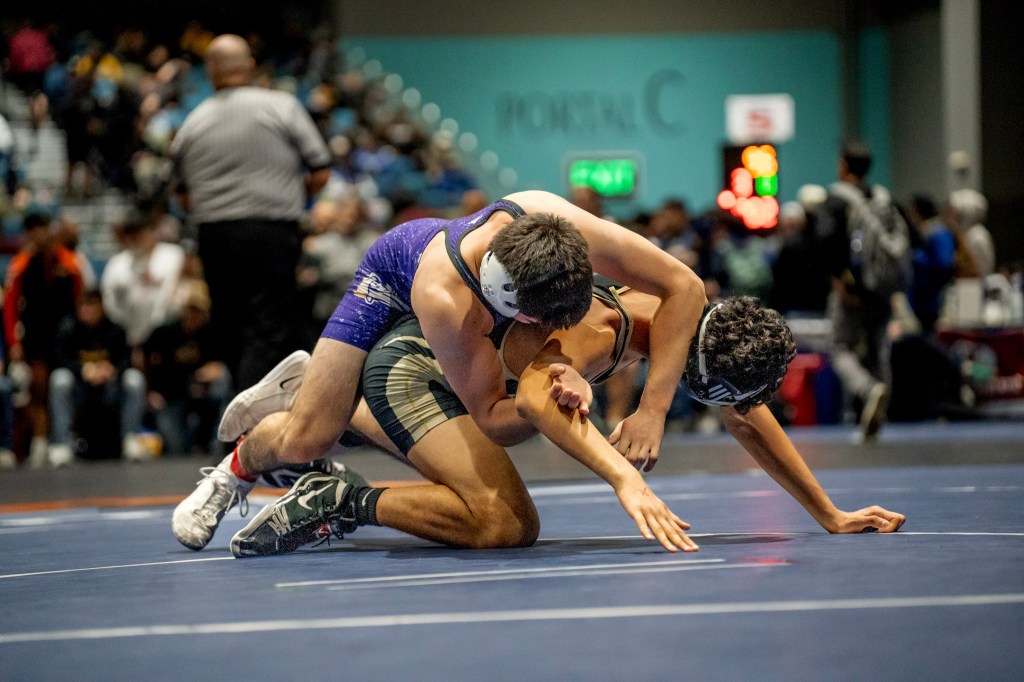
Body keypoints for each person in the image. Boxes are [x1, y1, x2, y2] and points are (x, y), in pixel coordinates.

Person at [172, 189, 706, 551]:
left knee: (343, 423)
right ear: (509, 305)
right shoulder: (448, 301)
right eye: (542, 323)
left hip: (465, 285)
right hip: (392, 277)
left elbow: (686, 286)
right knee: (308, 439)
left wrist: (653, 409)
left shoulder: (551, 217)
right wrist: (548, 398)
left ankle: (323, 393)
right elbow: (493, 418)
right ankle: (236, 468)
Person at [226, 279, 906, 558]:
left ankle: (327, 405)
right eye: (711, 393)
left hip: (462, 379)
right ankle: (339, 496)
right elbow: (529, 401)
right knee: (505, 522)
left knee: (521, 471)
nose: (720, 407)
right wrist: (624, 480)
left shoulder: (680, 315)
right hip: (418, 369)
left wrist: (828, 512)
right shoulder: (602, 327)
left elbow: (747, 417)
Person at [169, 33, 332, 393]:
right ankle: (256, 427)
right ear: (250, 66)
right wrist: (291, 194)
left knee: (229, 324)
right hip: (271, 231)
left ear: (210, 71)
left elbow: (182, 196)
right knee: (272, 326)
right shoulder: (281, 107)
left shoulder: (191, 124)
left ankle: (238, 420)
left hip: (214, 235)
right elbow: (320, 171)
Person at [818, 141, 911, 442]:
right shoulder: (884, 198)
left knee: (840, 346)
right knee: (878, 350)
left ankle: (869, 390)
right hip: (883, 290)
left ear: (843, 165)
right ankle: (878, 415)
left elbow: (828, 244)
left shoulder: (837, 200)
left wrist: (840, 283)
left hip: (853, 288)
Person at [3, 211, 83, 467]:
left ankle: (62, 440)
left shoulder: (68, 262)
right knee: (38, 389)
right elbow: (10, 308)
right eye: (33, 230)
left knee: (62, 387)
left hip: (65, 337)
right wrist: (14, 344)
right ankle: (39, 442)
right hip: (36, 336)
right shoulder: (21, 265)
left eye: (43, 228)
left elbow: (80, 299)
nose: (39, 234)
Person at [49, 289, 147, 465]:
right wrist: (84, 370)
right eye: (84, 305)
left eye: (92, 305)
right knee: (59, 379)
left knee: (134, 379)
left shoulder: (115, 330)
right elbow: (60, 358)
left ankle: (130, 439)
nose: (87, 310)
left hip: (110, 389)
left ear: (102, 307)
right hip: (80, 390)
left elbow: (126, 360)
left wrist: (111, 370)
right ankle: (62, 444)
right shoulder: (68, 329)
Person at [142, 280, 230, 456]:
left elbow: (224, 363)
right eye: (190, 309)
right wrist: (149, 390)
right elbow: (141, 355)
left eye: (198, 310)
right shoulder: (166, 332)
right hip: (171, 396)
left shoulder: (212, 333)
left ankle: (216, 441)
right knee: (178, 449)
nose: (193, 315)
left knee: (223, 380)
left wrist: (216, 368)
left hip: (204, 396)